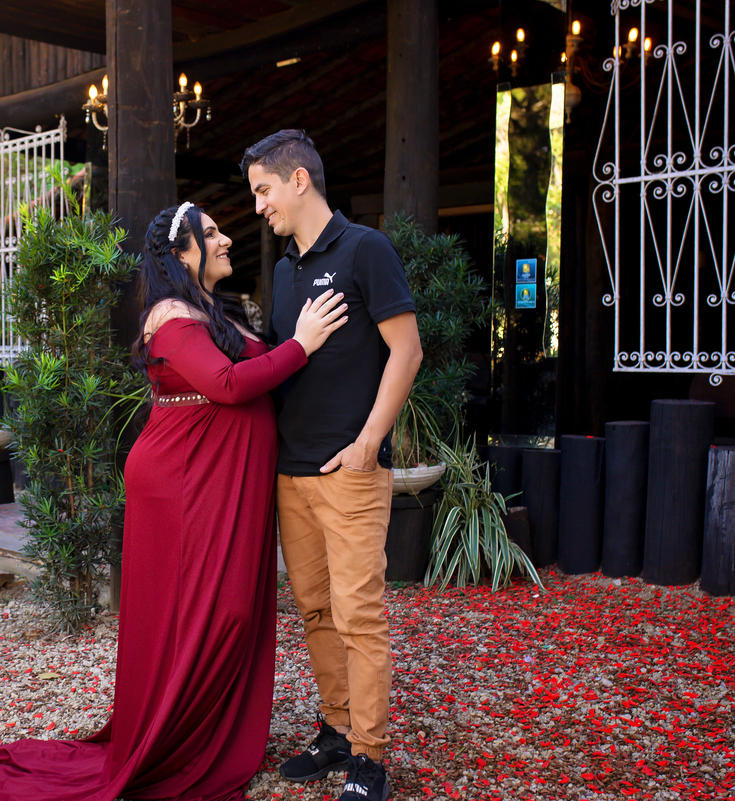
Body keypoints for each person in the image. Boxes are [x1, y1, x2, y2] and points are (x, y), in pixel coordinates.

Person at [0, 202, 348, 801]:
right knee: (210, 610)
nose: (225, 239)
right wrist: (302, 344)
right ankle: (177, 735)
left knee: (232, 608)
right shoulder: (170, 317)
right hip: (185, 484)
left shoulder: (213, 310)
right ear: (181, 253)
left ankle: (207, 728)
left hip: (222, 481)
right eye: (211, 233)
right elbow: (225, 385)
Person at [242, 129, 423, 801]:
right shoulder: (285, 270)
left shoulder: (366, 249)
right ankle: (339, 729)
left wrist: (370, 442)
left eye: (263, 189)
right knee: (316, 611)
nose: (259, 205)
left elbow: (407, 351)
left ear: (299, 180)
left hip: (350, 472)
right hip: (291, 473)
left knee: (358, 616)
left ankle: (370, 756)